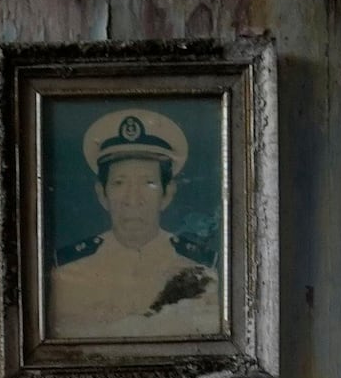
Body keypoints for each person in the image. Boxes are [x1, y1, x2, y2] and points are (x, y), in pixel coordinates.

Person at [46, 109, 219, 345]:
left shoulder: (205, 271)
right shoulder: (65, 273)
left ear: (167, 194)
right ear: (102, 194)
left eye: (148, 183)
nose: (132, 198)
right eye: (119, 183)